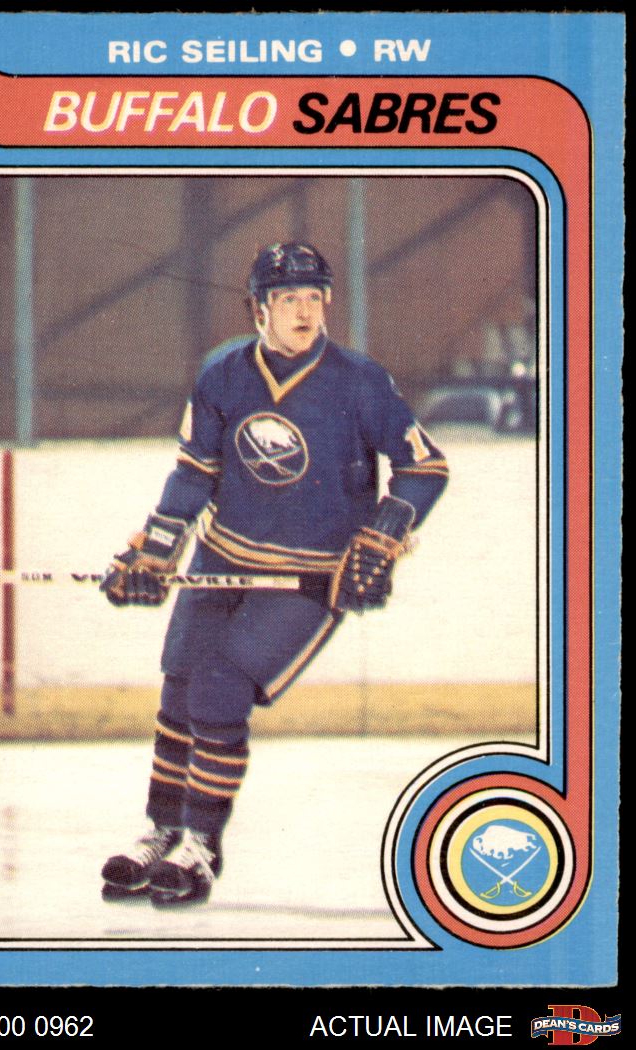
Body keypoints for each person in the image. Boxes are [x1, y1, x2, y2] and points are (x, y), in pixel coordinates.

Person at [99, 242, 449, 907]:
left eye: (314, 297)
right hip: (222, 558)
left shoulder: (358, 381)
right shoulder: (223, 373)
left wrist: (382, 535)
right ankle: (162, 831)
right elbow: (194, 471)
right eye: (288, 299)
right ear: (257, 308)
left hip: (307, 576)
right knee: (179, 688)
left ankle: (200, 847)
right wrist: (156, 548)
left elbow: (423, 467)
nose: (304, 311)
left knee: (219, 688)